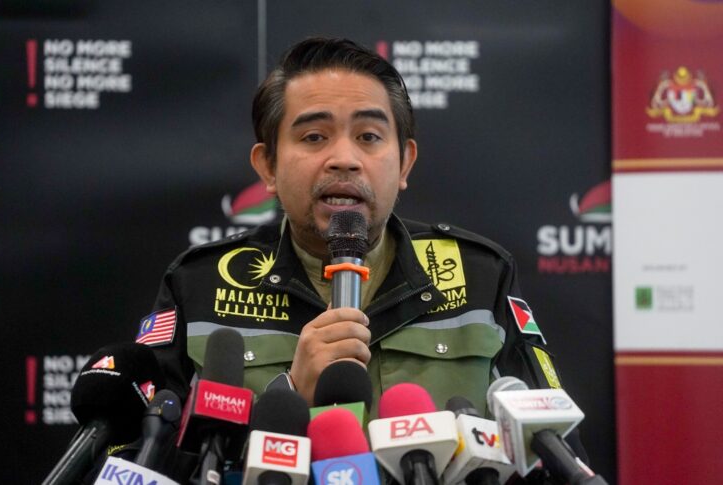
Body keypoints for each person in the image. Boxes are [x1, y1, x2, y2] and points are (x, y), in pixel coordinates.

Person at [140, 37, 566, 418]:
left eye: (368, 136)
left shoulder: (480, 277)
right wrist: (289, 393)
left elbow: (555, 448)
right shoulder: (199, 285)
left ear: (405, 163)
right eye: (314, 137)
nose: (344, 159)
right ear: (267, 166)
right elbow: (143, 457)